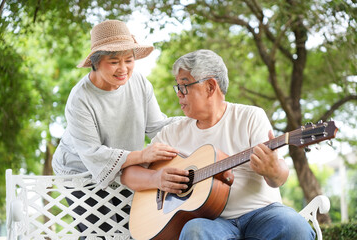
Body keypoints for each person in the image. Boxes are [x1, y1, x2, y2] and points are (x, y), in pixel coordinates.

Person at [121, 49, 315, 239]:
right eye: (177, 87)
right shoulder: (172, 133)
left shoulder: (250, 116)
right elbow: (129, 174)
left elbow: (278, 178)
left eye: (184, 86)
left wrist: (272, 171)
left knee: (294, 226)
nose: (179, 94)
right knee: (194, 231)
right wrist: (156, 178)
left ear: (210, 87)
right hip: (213, 222)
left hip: (262, 214)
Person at [51, 19, 180, 235]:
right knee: (99, 231)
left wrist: (195, 121)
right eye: (113, 62)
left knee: (133, 227)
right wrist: (142, 155)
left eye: (129, 60)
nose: (123, 69)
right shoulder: (80, 99)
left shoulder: (139, 83)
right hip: (80, 170)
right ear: (95, 62)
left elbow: (157, 126)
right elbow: (93, 154)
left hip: (123, 167)